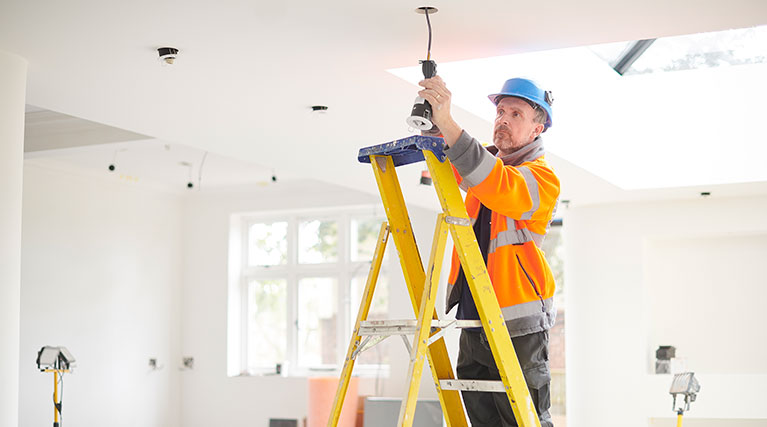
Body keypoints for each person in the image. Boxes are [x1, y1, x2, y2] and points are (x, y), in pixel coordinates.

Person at [418, 76, 560, 427]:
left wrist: (450, 124)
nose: (503, 120)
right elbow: (455, 167)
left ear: (537, 128)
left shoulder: (541, 178)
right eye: (500, 111)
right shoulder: (485, 167)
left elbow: (496, 184)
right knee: (483, 420)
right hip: (473, 316)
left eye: (516, 113)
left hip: (515, 324)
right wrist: (436, 124)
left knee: (523, 419)